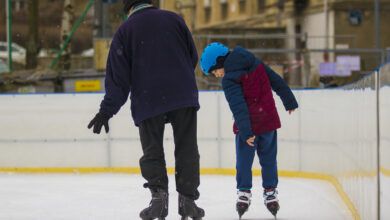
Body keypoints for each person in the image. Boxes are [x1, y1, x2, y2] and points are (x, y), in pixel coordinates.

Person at [87, 1, 204, 219]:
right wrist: (179, 76)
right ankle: (188, 202)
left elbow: (118, 81)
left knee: (152, 150)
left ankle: (159, 201)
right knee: (187, 147)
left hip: (148, 98)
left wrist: (105, 111)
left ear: (128, 9)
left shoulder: (124, 31)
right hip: (183, 93)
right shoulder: (175, 19)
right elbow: (192, 56)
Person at [200, 43, 298, 218]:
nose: (218, 75)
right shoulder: (253, 62)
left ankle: (244, 192)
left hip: (248, 129)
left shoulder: (229, 80)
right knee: (269, 159)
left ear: (219, 63)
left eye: (215, 72)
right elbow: (275, 79)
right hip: (267, 122)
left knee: (244, 161)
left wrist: (246, 132)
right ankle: (270, 192)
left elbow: (239, 108)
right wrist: (289, 100)